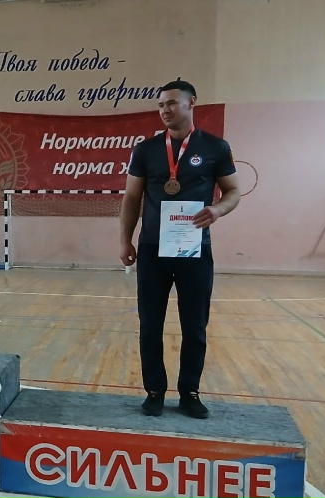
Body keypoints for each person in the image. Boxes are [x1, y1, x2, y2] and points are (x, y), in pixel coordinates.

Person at [118, 80, 241, 419]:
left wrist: (217, 209)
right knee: (150, 325)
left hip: (194, 251)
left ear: (191, 103)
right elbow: (132, 197)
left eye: (171, 103)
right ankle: (154, 391)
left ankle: (190, 392)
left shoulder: (216, 147)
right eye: (160, 105)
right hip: (152, 250)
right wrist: (125, 239)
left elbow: (233, 192)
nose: (165, 110)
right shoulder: (145, 150)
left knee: (195, 326)